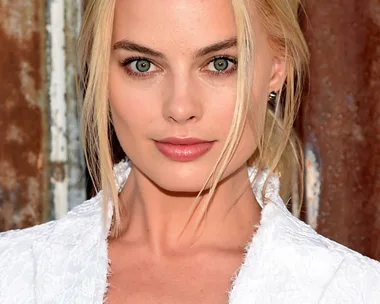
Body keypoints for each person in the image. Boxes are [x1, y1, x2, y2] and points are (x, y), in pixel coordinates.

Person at [1, 0, 379, 303]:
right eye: (143, 65)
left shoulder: (355, 289)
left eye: (220, 64)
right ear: (101, 72)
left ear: (276, 68)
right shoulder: (15, 274)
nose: (180, 108)